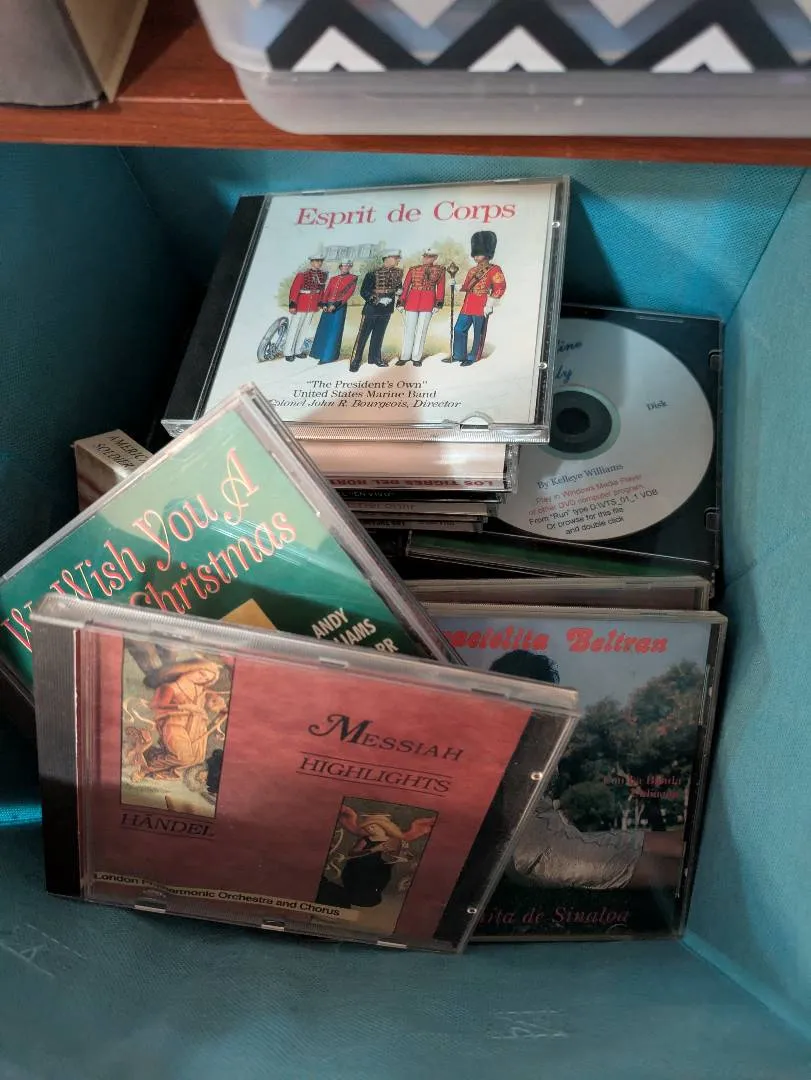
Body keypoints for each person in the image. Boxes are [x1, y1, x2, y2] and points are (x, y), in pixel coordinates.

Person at [490, 650, 683, 890]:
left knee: (669, 844)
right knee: (671, 870)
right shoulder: (502, 739)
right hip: (537, 852)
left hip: (552, 840)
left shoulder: (530, 737)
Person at [317, 805, 434, 908]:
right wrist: (373, 849)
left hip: (378, 869)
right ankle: (351, 896)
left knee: (375, 881)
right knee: (356, 879)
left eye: (373, 826)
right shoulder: (366, 839)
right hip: (358, 868)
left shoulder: (393, 840)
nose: (369, 829)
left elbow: (395, 855)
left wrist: (403, 855)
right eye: (367, 827)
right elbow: (352, 853)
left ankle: (368, 898)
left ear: (384, 828)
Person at [138, 658, 227, 780]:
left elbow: (215, 703)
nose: (202, 679)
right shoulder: (170, 687)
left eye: (206, 679)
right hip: (174, 725)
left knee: (196, 758)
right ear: (190, 668)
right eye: (201, 673)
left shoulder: (201, 690)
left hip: (196, 728)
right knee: (184, 757)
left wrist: (219, 705)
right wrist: (183, 707)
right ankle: (146, 768)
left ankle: (162, 768)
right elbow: (156, 705)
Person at [449, 230, 506, 367]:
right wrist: (456, 286)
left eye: (478, 254)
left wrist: (490, 304)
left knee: (478, 333)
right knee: (459, 329)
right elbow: (467, 286)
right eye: (475, 254)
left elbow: (500, 287)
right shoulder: (472, 271)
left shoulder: (494, 269)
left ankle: (473, 356)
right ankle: (458, 354)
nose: (475, 257)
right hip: (468, 304)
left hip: (482, 304)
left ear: (487, 254)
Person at [349, 250, 403, 371]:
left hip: (387, 309)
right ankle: (355, 360)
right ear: (387, 258)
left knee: (379, 336)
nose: (398, 260)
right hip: (371, 309)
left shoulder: (398, 273)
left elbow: (398, 287)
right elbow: (364, 291)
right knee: (362, 336)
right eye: (395, 258)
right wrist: (378, 300)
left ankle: (375, 358)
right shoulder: (372, 274)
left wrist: (399, 290)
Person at [396, 248, 445, 367]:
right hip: (412, 301)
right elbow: (406, 286)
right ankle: (405, 356)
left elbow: (441, 287)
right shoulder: (413, 269)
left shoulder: (440, 270)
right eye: (425, 256)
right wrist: (401, 302)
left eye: (429, 256)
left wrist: (438, 303)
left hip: (428, 302)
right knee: (409, 330)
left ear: (435, 258)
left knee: (421, 331)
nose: (426, 258)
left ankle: (416, 357)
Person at [310, 260, 358, 364]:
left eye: (347, 266)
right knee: (324, 329)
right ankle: (318, 353)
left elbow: (348, 293)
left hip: (339, 307)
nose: (345, 268)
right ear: (340, 267)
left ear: (350, 267)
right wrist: (324, 304)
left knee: (334, 331)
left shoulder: (353, 278)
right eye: (343, 266)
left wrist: (335, 305)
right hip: (327, 305)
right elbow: (327, 291)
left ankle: (328, 357)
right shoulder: (333, 278)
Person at [284, 255, 327, 360]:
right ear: (311, 262)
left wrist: (319, 303)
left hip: (312, 305)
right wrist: (292, 304)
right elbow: (295, 289)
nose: (319, 263)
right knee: (294, 328)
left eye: (320, 261)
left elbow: (321, 290)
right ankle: (288, 352)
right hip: (301, 304)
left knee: (304, 329)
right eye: (317, 261)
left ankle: (297, 350)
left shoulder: (322, 275)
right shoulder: (302, 274)